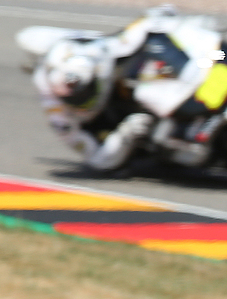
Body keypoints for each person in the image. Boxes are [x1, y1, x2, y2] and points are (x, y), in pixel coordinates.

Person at [32, 5, 208, 173]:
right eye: (75, 98)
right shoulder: (58, 114)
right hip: (120, 132)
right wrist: (125, 134)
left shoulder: (100, 53)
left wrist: (165, 18)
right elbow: (97, 159)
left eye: (86, 92)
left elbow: (135, 30)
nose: (83, 99)